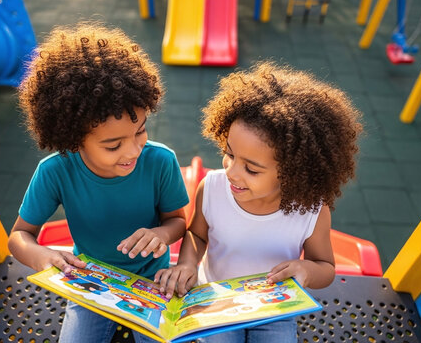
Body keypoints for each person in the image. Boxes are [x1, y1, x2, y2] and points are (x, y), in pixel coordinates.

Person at [155, 62, 363, 343]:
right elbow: (196, 234)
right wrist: (189, 264)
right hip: (217, 298)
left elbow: (324, 266)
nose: (231, 171)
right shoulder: (214, 187)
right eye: (229, 155)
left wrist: (305, 270)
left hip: (272, 307)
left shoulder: (312, 210)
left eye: (251, 169)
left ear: (293, 172)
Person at [8, 22, 189, 343]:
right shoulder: (54, 171)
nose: (133, 150)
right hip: (90, 280)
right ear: (74, 139)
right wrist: (41, 256)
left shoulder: (161, 161)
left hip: (153, 281)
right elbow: (20, 236)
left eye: (141, 131)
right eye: (113, 145)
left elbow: (177, 221)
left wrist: (160, 233)